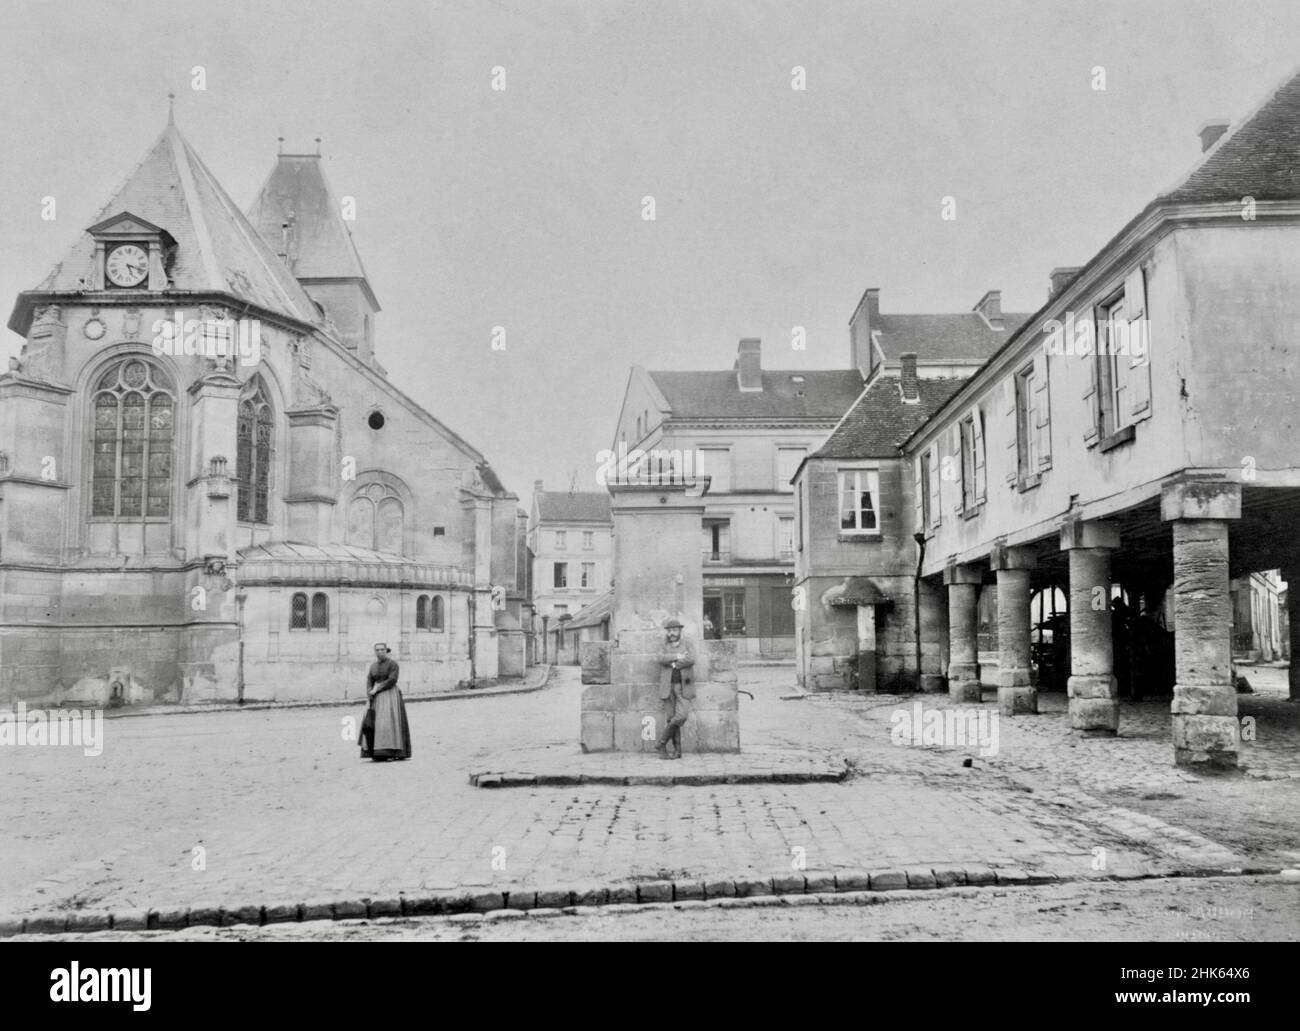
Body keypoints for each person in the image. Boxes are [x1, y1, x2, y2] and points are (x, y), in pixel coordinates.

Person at [360, 642, 412, 761]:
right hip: (375, 697)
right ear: (375, 652)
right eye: (377, 650)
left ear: (386, 650)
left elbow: (392, 680)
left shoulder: (393, 664)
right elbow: (369, 680)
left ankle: (391, 751)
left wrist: (377, 689)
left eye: (382, 649)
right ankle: (377, 753)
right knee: (373, 723)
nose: (380, 652)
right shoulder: (373, 666)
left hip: (390, 695)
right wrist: (369, 692)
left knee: (388, 722)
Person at [654, 618, 696, 760]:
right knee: (671, 718)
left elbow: (692, 659)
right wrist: (677, 656)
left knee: (681, 716)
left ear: (680, 631)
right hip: (667, 687)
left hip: (684, 686)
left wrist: (674, 665)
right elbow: (660, 658)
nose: (672, 633)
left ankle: (661, 742)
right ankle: (677, 751)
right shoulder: (663, 645)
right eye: (670, 631)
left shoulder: (687, 643)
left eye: (675, 630)